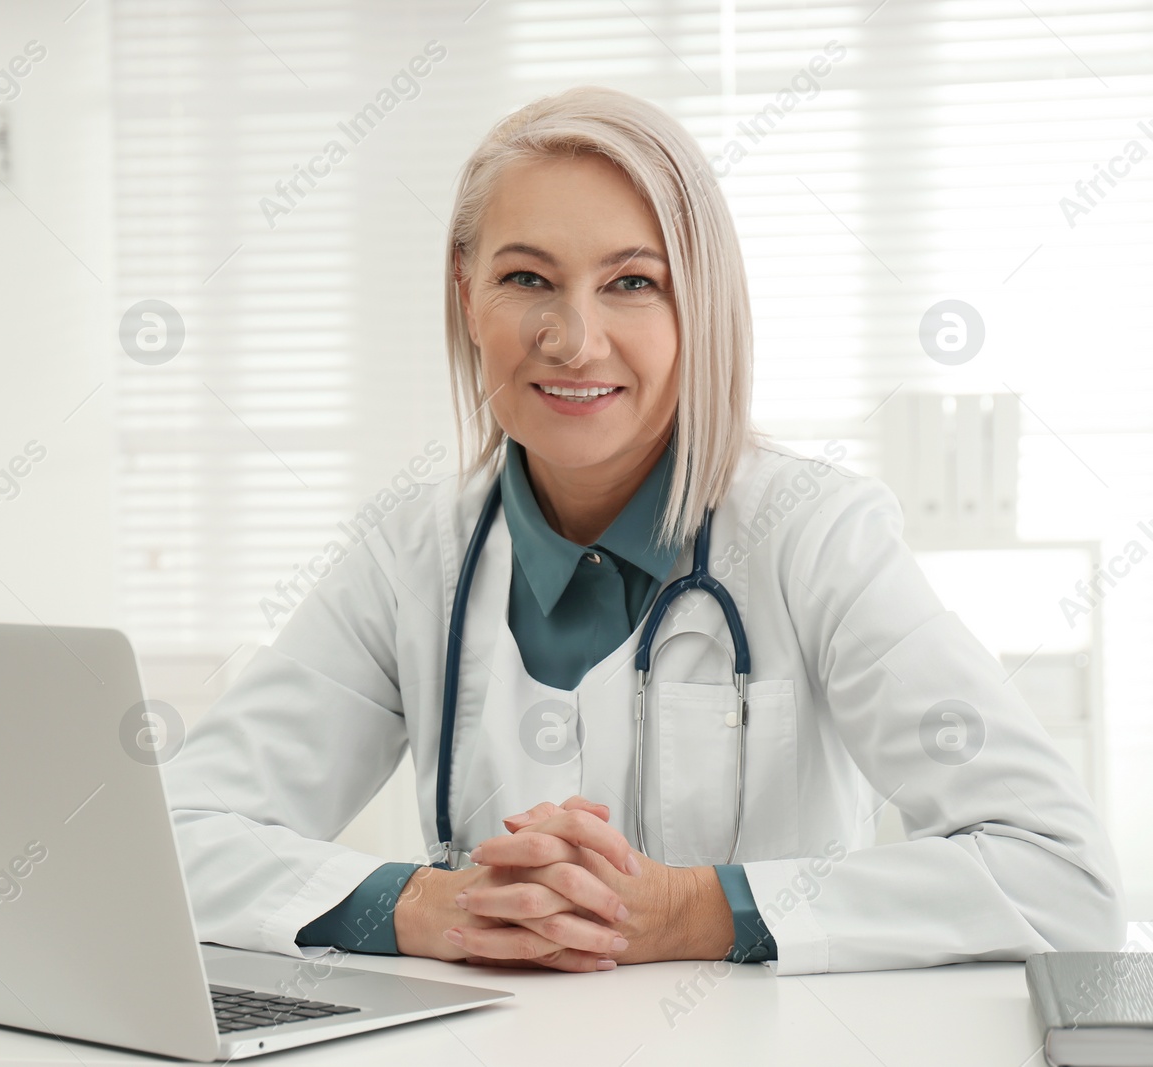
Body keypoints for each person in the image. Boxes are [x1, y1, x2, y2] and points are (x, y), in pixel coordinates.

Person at [161, 85, 1124, 975]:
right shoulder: (409, 558)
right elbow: (169, 836)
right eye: (528, 277)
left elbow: (1059, 874)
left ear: (698, 301)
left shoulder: (816, 538)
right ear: (467, 294)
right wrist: (427, 906)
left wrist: (694, 911)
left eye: (632, 283)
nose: (575, 339)